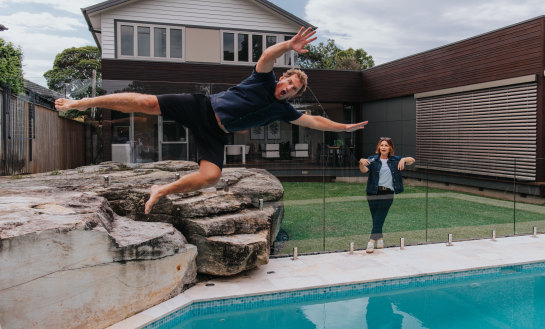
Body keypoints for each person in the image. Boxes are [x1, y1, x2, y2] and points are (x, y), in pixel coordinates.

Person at [55, 27, 368, 214]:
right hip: (202, 108)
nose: (288, 88)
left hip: (216, 133)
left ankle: (160, 190)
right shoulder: (262, 79)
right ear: (283, 77)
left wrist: (345, 127)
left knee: (211, 177)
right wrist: (288, 45)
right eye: (288, 82)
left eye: (294, 89)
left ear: (295, 93)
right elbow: (267, 57)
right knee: (146, 103)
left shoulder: (284, 110)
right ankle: (81, 102)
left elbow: (314, 122)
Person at [358, 137, 415, 253]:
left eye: (386, 145)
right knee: (376, 218)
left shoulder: (395, 160)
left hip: (388, 192)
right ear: (379, 147)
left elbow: (412, 160)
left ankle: (371, 242)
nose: (383, 147)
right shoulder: (372, 159)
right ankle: (380, 239)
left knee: (380, 216)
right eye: (382, 145)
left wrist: (403, 159)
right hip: (372, 192)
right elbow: (363, 170)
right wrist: (361, 162)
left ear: (390, 148)